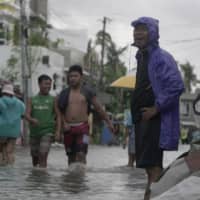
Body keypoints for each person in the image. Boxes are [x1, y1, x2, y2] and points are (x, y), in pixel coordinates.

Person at [130, 17, 184, 200]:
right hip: (143, 119)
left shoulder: (161, 57)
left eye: (142, 29)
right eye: (136, 29)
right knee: (149, 168)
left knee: (153, 167)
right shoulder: (143, 57)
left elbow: (176, 86)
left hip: (154, 120)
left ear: (152, 32)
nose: (137, 33)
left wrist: (156, 109)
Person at [58, 65, 114, 165]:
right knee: (70, 156)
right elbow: (59, 111)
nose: (73, 79)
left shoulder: (88, 92)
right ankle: (70, 179)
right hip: (68, 129)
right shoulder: (64, 93)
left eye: (75, 76)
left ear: (81, 77)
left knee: (82, 154)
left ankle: (82, 178)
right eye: (71, 76)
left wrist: (109, 123)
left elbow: (99, 108)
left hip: (84, 129)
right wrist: (63, 123)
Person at [26, 74, 61, 168]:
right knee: (35, 158)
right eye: (46, 84)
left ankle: (43, 178)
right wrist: (31, 119)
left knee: (43, 154)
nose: (48, 86)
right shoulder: (32, 99)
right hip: (34, 133)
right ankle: (36, 179)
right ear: (39, 84)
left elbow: (58, 115)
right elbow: (27, 114)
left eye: (50, 84)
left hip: (47, 131)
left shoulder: (53, 99)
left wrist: (57, 131)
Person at [0, 84, 25, 165]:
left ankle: (3, 170)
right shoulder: (20, 103)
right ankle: (11, 170)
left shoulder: (0, 101)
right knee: (10, 152)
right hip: (14, 131)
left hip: (1, 130)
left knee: (1, 150)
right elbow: (23, 114)